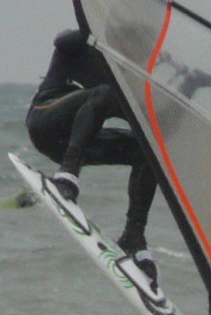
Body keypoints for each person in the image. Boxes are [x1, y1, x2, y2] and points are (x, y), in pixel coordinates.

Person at [26, 28, 159, 287]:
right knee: (105, 92)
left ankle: (134, 236)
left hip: (79, 140)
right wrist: (95, 33)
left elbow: (151, 123)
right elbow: (61, 40)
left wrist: (191, 84)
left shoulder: (126, 75)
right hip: (45, 121)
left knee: (147, 150)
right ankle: (67, 177)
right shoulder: (84, 45)